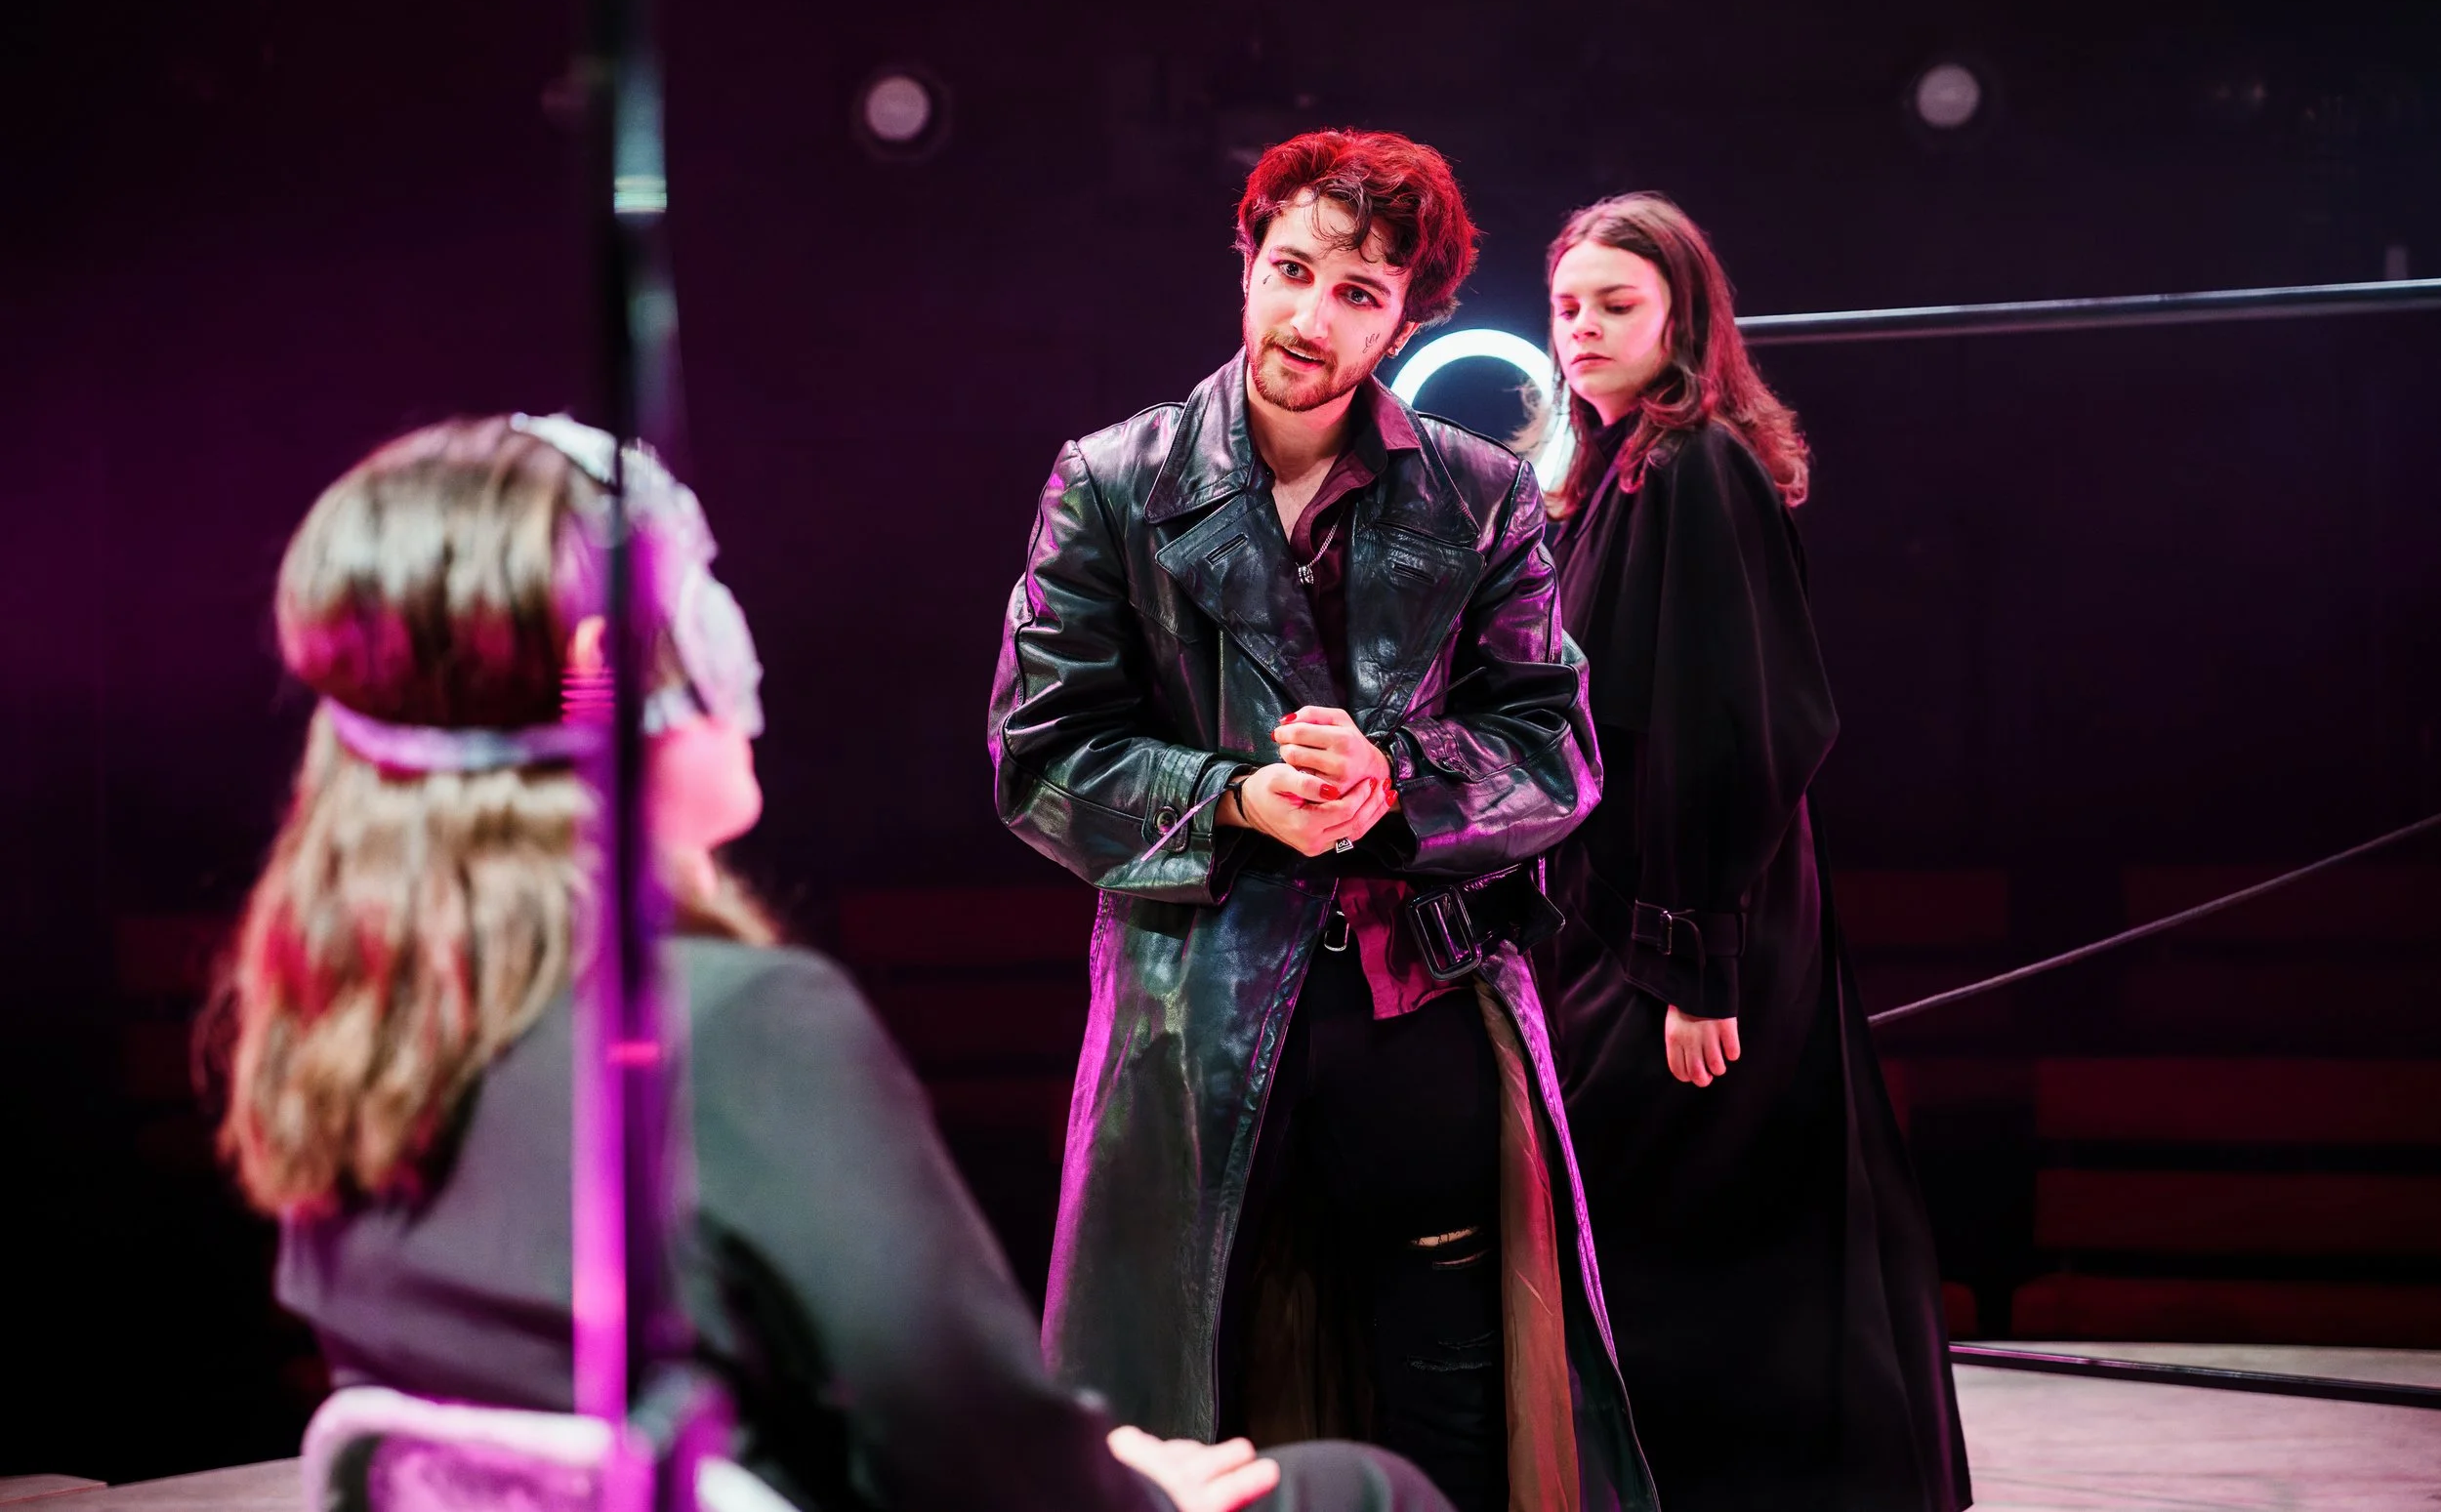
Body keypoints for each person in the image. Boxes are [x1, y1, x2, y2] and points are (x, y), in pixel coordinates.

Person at [216, 413, 1456, 1512]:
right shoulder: (741, 1028)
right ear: (604, 669)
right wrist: (1133, 1478)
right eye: (696, 593)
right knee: (1362, 1486)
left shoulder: (344, 1029)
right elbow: (977, 1445)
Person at [988, 131, 1656, 1512]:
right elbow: (1040, 755)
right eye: (1291, 271)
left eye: (1360, 293)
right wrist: (1233, 795)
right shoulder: (1113, 479)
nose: (1311, 316)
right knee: (1191, 1392)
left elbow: (1556, 743)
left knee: (1458, 1393)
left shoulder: (1477, 491)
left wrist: (1395, 780)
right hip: (1195, 1009)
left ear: (1411, 316)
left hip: (1420, 998)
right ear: (1246, 262)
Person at [1532, 194, 1972, 1511]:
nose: (1585, 329)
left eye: (1616, 304)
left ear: (1682, 317)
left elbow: (1746, 723)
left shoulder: (1696, 464)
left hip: (1689, 928)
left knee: (1693, 1242)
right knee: (1689, 1244)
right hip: (1640, 918)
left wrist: (1696, 960)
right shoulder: (1617, 474)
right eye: (1568, 307)